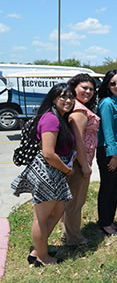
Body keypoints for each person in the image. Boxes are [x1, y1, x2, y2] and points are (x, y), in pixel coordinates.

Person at [11, 83, 75, 266]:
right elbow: (48, 153)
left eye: (71, 97)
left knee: (57, 210)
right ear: (54, 99)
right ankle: (43, 257)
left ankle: (38, 249)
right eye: (63, 96)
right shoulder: (50, 119)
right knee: (42, 216)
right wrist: (67, 169)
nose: (68, 100)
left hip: (54, 172)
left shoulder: (59, 118)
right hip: (48, 172)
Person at [61, 74, 100, 246]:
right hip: (79, 162)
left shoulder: (76, 107)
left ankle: (67, 234)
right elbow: (78, 141)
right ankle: (74, 239)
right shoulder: (79, 110)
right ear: (74, 87)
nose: (88, 91)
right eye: (84, 87)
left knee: (71, 201)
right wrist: (85, 166)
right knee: (76, 202)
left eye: (91, 89)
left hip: (78, 160)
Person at [96, 70, 117, 236]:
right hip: (109, 151)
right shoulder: (107, 103)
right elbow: (107, 131)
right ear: (107, 85)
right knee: (108, 187)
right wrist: (113, 156)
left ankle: (110, 219)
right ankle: (105, 223)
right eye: (113, 83)